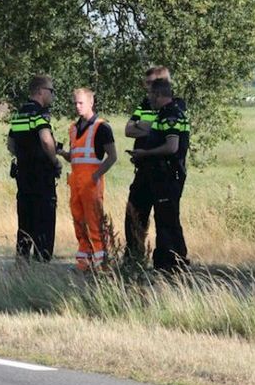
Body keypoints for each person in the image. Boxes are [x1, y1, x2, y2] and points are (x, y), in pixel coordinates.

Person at [127, 78, 190, 272]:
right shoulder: (163, 114)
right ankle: (137, 258)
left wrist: (145, 153)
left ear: (159, 94)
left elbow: (172, 147)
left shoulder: (171, 115)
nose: (149, 99)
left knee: (167, 221)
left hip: (168, 176)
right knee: (138, 214)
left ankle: (172, 264)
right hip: (154, 175)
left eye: (150, 95)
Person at [58, 88, 117, 271]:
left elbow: (112, 156)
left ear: (91, 103)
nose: (77, 106)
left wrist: (96, 175)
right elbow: (74, 157)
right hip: (75, 182)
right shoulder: (73, 128)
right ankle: (84, 263)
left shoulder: (102, 127)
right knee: (79, 221)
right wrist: (60, 152)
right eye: (75, 102)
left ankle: (102, 264)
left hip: (91, 183)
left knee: (95, 222)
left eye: (81, 103)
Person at [123, 65, 176, 265]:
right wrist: (148, 129)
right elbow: (128, 129)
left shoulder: (172, 105)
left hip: (163, 172)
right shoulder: (145, 103)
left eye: (150, 84)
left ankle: (167, 262)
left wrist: (145, 128)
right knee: (134, 213)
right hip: (143, 169)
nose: (147, 89)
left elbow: (163, 134)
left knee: (165, 219)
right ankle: (133, 257)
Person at [7, 75, 61, 262]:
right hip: (42, 176)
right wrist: (55, 161)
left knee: (25, 223)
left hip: (24, 176)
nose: (52, 95)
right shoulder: (39, 114)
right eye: (51, 91)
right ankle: (42, 263)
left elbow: (11, 143)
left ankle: (22, 262)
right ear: (40, 91)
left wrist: (24, 155)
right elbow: (46, 140)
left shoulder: (19, 114)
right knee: (44, 221)